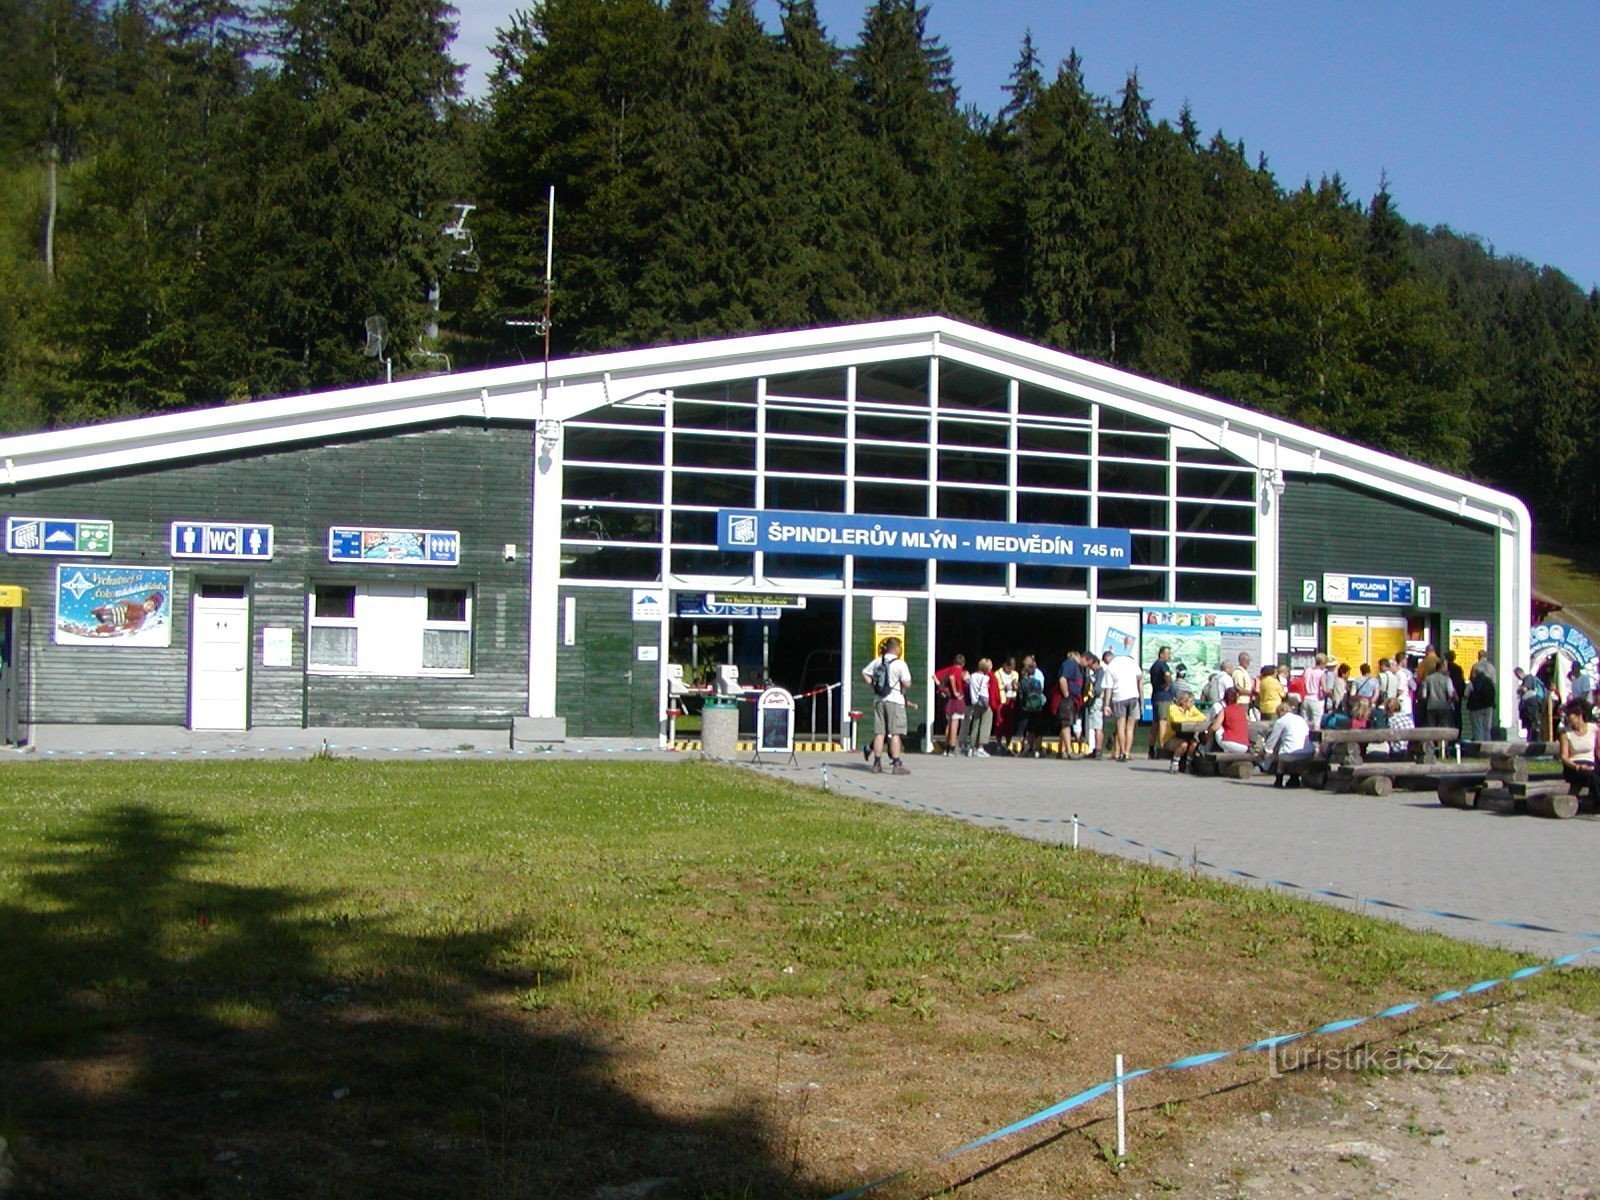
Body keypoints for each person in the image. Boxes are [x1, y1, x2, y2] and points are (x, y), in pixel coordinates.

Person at [861, 636, 914, 775]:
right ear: (896, 648)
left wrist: (873, 687)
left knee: (879, 733)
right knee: (896, 733)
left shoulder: (878, 661)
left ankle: (876, 764)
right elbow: (907, 683)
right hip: (895, 700)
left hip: (879, 700)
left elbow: (865, 673)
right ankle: (896, 764)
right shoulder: (900, 664)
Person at [1260, 694, 1313, 788]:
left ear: (1281, 712)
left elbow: (1272, 740)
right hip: (1308, 752)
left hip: (1290, 754)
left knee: (1282, 752)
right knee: (1290, 745)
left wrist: (1266, 751)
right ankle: (1294, 778)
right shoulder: (1300, 718)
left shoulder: (1281, 721)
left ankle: (1279, 778)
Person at [1103, 647, 1143, 761]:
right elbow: (1139, 677)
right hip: (1133, 696)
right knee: (1130, 727)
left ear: (1107, 658)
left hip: (1119, 697)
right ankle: (1127, 752)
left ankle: (1120, 752)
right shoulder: (1130, 661)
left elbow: (1108, 688)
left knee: (1121, 726)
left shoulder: (1111, 667)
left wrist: (1106, 704)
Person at [1558, 700, 1599, 811]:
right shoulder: (1566, 733)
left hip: (1591, 763)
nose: (1567, 718)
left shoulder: (1593, 729)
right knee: (1591, 776)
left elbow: (1598, 751)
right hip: (1573, 766)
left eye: (1570, 715)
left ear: (1579, 715)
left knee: (1595, 773)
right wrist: (1578, 767)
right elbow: (1564, 757)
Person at [1163, 683, 1207, 773]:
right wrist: (1191, 719)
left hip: (1188, 735)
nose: (1193, 703)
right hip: (1172, 738)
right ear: (1183, 702)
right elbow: (1177, 719)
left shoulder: (1191, 709)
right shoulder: (1173, 708)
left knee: (1194, 743)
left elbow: (1202, 717)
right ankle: (1175, 763)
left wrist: (1189, 719)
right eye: (1190, 701)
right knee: (1183, 744)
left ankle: (1188, 763)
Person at [1013, 654, 1048, 756]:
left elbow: (1021, 691)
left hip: (1025, 706)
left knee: (1023, 728)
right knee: (1036, 727)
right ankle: (1036, 748)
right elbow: (1041, 689)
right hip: (1037, 706)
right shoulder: (1039, 677)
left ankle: (1024, 748)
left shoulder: (1024, 680)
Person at [933, 653, 967, 756]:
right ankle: (952, 747)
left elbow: (935, 676)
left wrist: (941, 687)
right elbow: (952, 678)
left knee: (949, 723)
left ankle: (947, 748)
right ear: (963, 663)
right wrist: (955, 691)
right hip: (956, 699)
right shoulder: (958, 670)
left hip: (948, 700)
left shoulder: (949, 669)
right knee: (955, 723)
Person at [963, 657, 994, 757]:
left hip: (974, 702)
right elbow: (985, 692)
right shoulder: (986, 678)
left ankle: (972, 747)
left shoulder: (972, 676)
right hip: (984, 703)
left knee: (975, 723)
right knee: (985, 723)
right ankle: (980, 747)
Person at [1057, 651, 1086, 759]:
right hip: (1068, 699)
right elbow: (1062, 679)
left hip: (1074, 699)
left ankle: (1062, 750)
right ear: (1077, 656)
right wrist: (1066, 695)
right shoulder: (1070, 663)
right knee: (1066, 724)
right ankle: (1069, 751)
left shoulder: (1079, 668)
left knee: (1067, 724)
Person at [1148, 645, 1175, 759]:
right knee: (1163, 722)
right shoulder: (1163, 665)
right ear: (1161, 654)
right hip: (1164, 698)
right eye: (1167, 654)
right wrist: (1168, 684)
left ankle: (1151, 748)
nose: (1169, 656)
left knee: (1155, 724)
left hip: (1155, 696)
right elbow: (1167, 675)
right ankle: (1162, 747)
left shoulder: (1154, 666)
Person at [1465, 650, 1497, 743]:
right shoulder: (1491, 667)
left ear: (1478, 656)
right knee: (1487, 727)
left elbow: (1470, 683)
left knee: (1478, 727)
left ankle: (1479, 747)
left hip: (1476, 705)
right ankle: (1488, 746)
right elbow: (1494, 683)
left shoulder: (1475, 666)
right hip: (1488, 704)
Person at [1208, 687, 1251, 753]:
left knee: (1219, 727)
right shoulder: (1243, 711)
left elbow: (1215, 727)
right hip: (1244, 746)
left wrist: (1208, 733)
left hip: (1229, 742)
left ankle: (1207, 749)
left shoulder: (1225, 710)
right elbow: (1248, 721)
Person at [1516, 667, 1549, 741]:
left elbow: (1525, 689)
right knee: (1530, 723)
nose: (1518, 678)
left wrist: (1519, 689)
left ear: (1519, 673)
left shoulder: (1528, 678)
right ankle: (1531, 738)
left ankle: (1536, 739)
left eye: (1517, 675)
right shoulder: (1526, 680)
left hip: (1532, 704)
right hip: (1529, 704)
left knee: (1534, 722)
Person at [1299, 653, 1327, 731]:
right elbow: (1324, 689)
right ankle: (1315, 741)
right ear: (1322, 663)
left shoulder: (1307, 670)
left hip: (1306, 697)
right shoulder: (1321, 673)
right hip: (1316, 699)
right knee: (1317, 723)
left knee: (1304, 722)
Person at [994, 656, 1020, 743]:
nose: (1010, 670)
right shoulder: (998, 673)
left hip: (1011, 699)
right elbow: (996, 686)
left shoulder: (1015, 674)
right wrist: (1004, 686)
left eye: (1012, 668)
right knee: (1000, 721)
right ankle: (998, 741)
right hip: (1002, 700)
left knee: (1010, 723)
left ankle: (1008, 741)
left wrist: (1016, 686)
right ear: (1005, 665)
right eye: (1009, 668)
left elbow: (1016, 684)